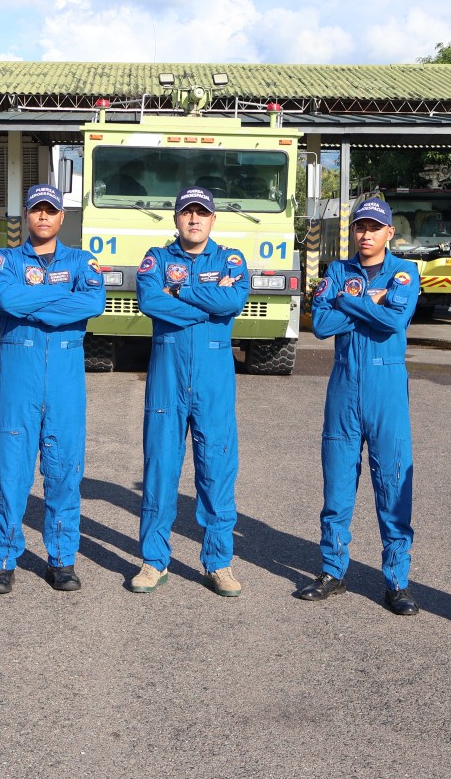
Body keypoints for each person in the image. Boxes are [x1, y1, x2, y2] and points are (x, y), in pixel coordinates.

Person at [295, 199, 420, 614]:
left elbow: (394, 322)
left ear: (389, 233)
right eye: (359, 227)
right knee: (337, 487)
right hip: (344, 388)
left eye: (374, 227)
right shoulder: (337, 271)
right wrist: (371, 301)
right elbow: (323, 326)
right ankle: (332, 571)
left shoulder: (405, 272)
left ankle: (397, 583)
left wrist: (349, 303)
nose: (366, 234)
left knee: (392, 485)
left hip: (387, 390)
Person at [0, 185, 105, 593]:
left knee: (64, 473)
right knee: (11, 474)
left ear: (61, 217)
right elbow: (8, 300)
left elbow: (92, 304)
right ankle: (1, 561)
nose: (44, 217)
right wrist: (60, 295)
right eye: (37, 210)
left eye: (51, 211)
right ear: (26, 216)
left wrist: (32, 297)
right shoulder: (5, 259)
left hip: (66, 385)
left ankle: (62, 560)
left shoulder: (82, 260)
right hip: (20, 382)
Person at [131, 187, 250, 596]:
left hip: (213, 382)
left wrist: (179, 292)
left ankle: (218, 563)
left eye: (202, 213)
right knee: (160, 470)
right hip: (167, 379)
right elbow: (149, 300)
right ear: (176, 219)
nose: (194, 219)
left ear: (213, 220)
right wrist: (208, 305)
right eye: (187, 213)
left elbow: (233, 299)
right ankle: (153, 561)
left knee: (216, 471)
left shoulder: (230, 259)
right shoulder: (158, 258)